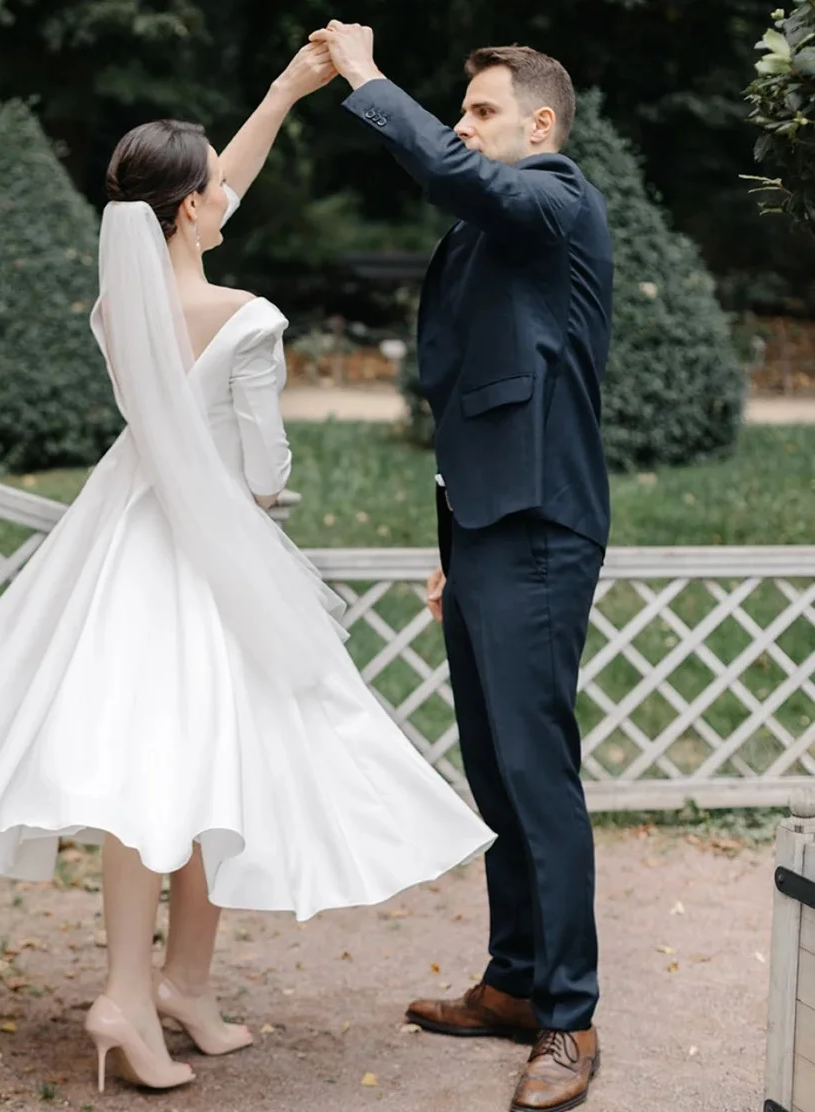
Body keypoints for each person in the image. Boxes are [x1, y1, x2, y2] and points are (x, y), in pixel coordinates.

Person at [0, 41, 494, 1096]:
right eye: (215, 185)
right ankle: (128, 997)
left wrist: (284, 90)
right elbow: (263, 467)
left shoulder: (117, 303)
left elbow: (207, 209)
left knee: (181, 760)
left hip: (122, 541)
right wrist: (267, 489)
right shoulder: (249, 316)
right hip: (204, 554)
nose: (231, 190)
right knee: (181, 766)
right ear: (188, 211)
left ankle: (179, 983)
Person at [310, 23, 613, 1112]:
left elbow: (445, 168)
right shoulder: (496, 226)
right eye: (462, 111)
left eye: (481, 111)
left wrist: (366, 77)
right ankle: (515, 982)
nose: (461, 128)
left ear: (538, 125)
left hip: (540, 524)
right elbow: (481, 387)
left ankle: (570, 1017)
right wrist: (454, 542)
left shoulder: (557, 196)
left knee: (537, 772)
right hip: (487, 524)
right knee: (494, 770)